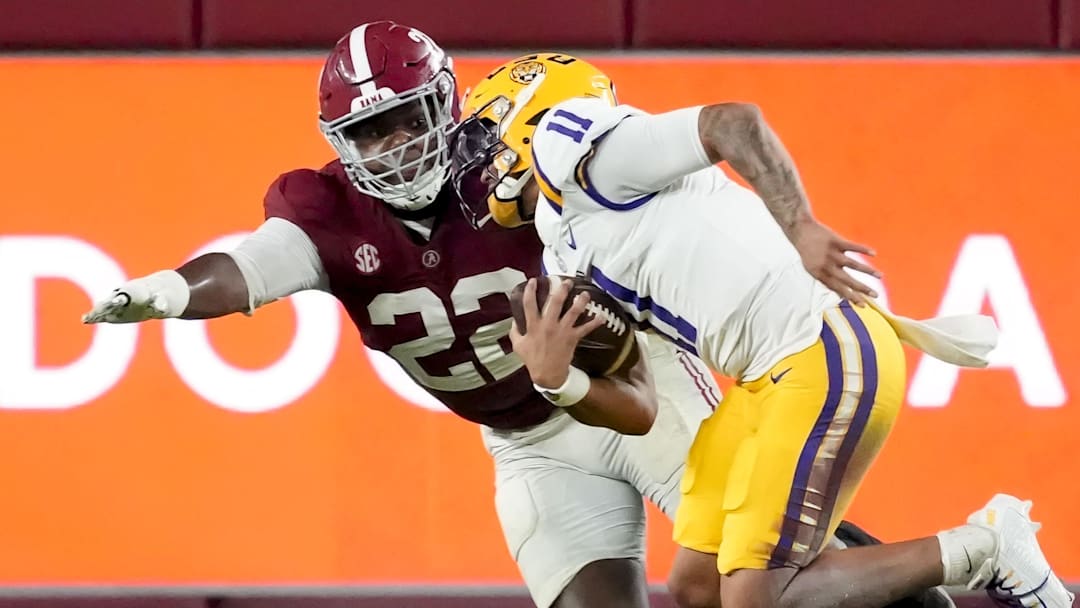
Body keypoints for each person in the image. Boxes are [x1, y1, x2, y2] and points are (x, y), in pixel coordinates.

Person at [80, 21, 724, 608]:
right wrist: (172, 288)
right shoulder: (327, 211)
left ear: (445, 104)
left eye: (408, 119)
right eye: (367, 132)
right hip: (529, 442)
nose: (393, 145)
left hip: (636, 379)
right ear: (339, 142)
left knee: (736, 580)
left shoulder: (512, 156)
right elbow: (247, 270)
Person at [450, 52, 1074, 608]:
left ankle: (986, 546)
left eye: (488, 134)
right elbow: (641, 409)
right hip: (762, 380)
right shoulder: (561, 243)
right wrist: (557, 382)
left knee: (757, 596)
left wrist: (800, 226)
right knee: (696, 588)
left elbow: (733, 122)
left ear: (535, 115)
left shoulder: (574, 149)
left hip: (820, 347)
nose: (480, 162)